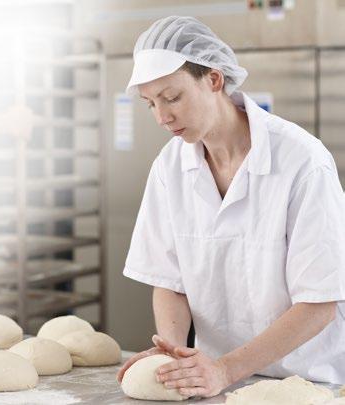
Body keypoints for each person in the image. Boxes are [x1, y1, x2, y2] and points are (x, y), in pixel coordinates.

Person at [114, 16, 345, 397]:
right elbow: (169, 281)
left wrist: (225, 369)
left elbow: (319, 304)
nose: (162, 117)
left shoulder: (302, 162)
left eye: (172, 97)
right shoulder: (170, 166)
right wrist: (172, 351)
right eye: (150, 103)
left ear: (214, 79)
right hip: (221, 385)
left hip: (310, 384)